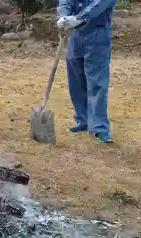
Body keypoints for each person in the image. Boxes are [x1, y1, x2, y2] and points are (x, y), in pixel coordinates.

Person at [56, 0, 116, 143]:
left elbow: (100, 5)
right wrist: (63, 16)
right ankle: (83, 120)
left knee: (97, 84)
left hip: (97, 32)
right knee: (76, 81)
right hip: (75, 35)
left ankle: (100, 128)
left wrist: (79, 18)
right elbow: (66, 1)